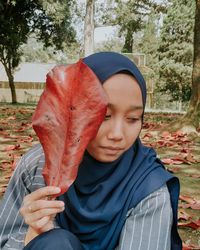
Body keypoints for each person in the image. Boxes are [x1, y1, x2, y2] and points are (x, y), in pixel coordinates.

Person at [0, 52, 182, 250]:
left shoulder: (147, 188)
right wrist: (33, 237)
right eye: (104, 116)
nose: (117, 134)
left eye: (133, 118)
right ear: (74, 111)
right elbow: (5, 240)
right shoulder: (38, 166)